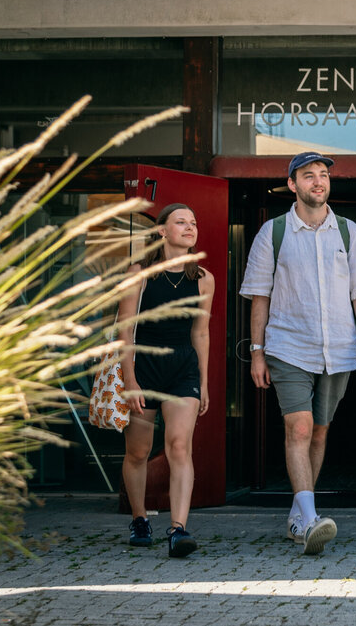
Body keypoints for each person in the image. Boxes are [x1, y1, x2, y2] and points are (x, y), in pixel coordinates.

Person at [240, 151, 356, 555]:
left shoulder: (349, 232)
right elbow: (260, 297)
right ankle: (310, 519)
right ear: (292, 184)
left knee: (320, 431)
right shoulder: (273, 232)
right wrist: (258, 352)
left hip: (339, 348)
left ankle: (298, 514)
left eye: (323, 175)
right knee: (299, 428)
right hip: (288, 346)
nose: (318, 181)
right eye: (308, 175)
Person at [119, 203, 213, 558]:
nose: (190, 228)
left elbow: (200, 333)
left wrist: (203, 382)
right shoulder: (140, 274)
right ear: (162, 231)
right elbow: (124, 330)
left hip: (182, 369)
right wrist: (130, 380)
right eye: (181, 222)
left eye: (193, 222)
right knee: (138, 451)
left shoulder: (203, 278)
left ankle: (178, 529)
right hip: (144, 367)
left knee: (178, 446)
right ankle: (140, 518)